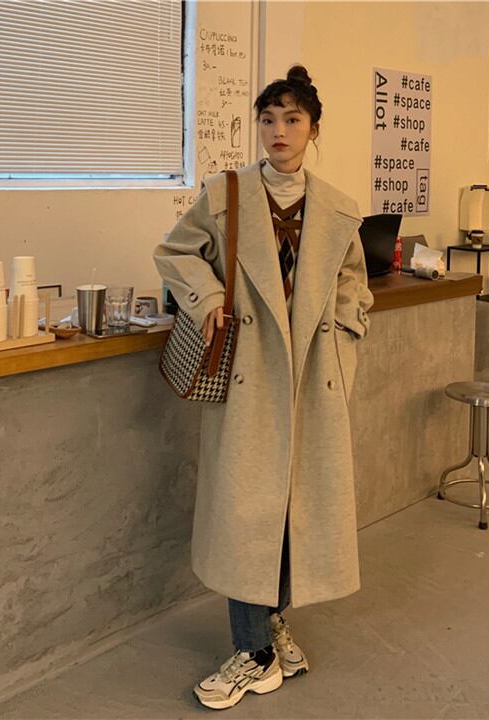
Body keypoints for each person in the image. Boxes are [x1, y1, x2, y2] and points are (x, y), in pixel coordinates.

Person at [153, 65, 373, 710]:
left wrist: (344, 333)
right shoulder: (226, 195)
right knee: (247, 515)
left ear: (313, 129)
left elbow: (354, 282)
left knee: (290, 514)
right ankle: (255, 654)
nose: (278, 131)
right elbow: (175, 252)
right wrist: (209, 298)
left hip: (312, 380)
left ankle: (270, 630)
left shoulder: (338, 209)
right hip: (249, 379)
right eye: (268, 119)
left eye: (292, 119)